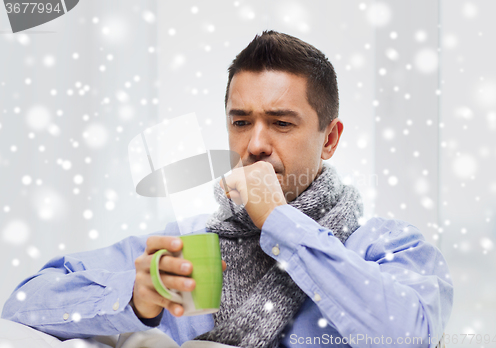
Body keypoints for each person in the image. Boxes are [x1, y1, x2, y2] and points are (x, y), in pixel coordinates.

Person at [2, 30, 452, 348]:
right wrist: (134, 298)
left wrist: (280, 222)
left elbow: (410, 336)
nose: (255, 144)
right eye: (241, 122)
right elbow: (23, 304)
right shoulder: (185, 245)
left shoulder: (384, 246)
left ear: (329, 140)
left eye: (281, 123)